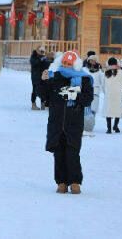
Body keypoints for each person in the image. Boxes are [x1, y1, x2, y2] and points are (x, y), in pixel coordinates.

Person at [41, 51, 93, 194]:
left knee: (73, 152)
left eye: (69, 64)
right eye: (64, 63)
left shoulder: (84, 79)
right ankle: (61, 182)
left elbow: (88, 99)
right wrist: (44, 81)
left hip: (74, 121)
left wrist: (75, 95)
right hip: (56, 121)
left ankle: (75, 182)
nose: (66, 66)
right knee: (58, 152)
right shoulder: (55, 76)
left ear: (75, 65)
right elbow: (45, 97)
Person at [103, 57, 122, 133]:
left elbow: (103, 84)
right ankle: (115, 126)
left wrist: (105, 91)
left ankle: (109, 129)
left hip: (108, 93)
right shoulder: (121, 72)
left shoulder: (105, 72)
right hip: (118, 94)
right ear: (116, 63)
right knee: (117, 110)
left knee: (109, 110)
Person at [83, 54, 103, 134]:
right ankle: (84, 125)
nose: (92, 62)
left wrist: (100, 90)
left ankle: (90, 125)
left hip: (95, 92)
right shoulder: (84, 69)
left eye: (94, 60)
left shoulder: (99, 71)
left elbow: (102, 82)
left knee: (93, 110)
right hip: (86, 91)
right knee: (86, 109)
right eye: (91, 60)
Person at [30, 46, 51, 110]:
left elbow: (46, 65)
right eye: (41, 51)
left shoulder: (43, 57)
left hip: (42, 76)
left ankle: (43, 104)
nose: (42, 52)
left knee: (43, 90)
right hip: (35, 77)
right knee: (34, 90)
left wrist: (50, 59)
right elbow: (34, 63)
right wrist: (41, 59)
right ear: (37, 50)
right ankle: (33, 104)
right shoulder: (33, 56)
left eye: (43, 51)